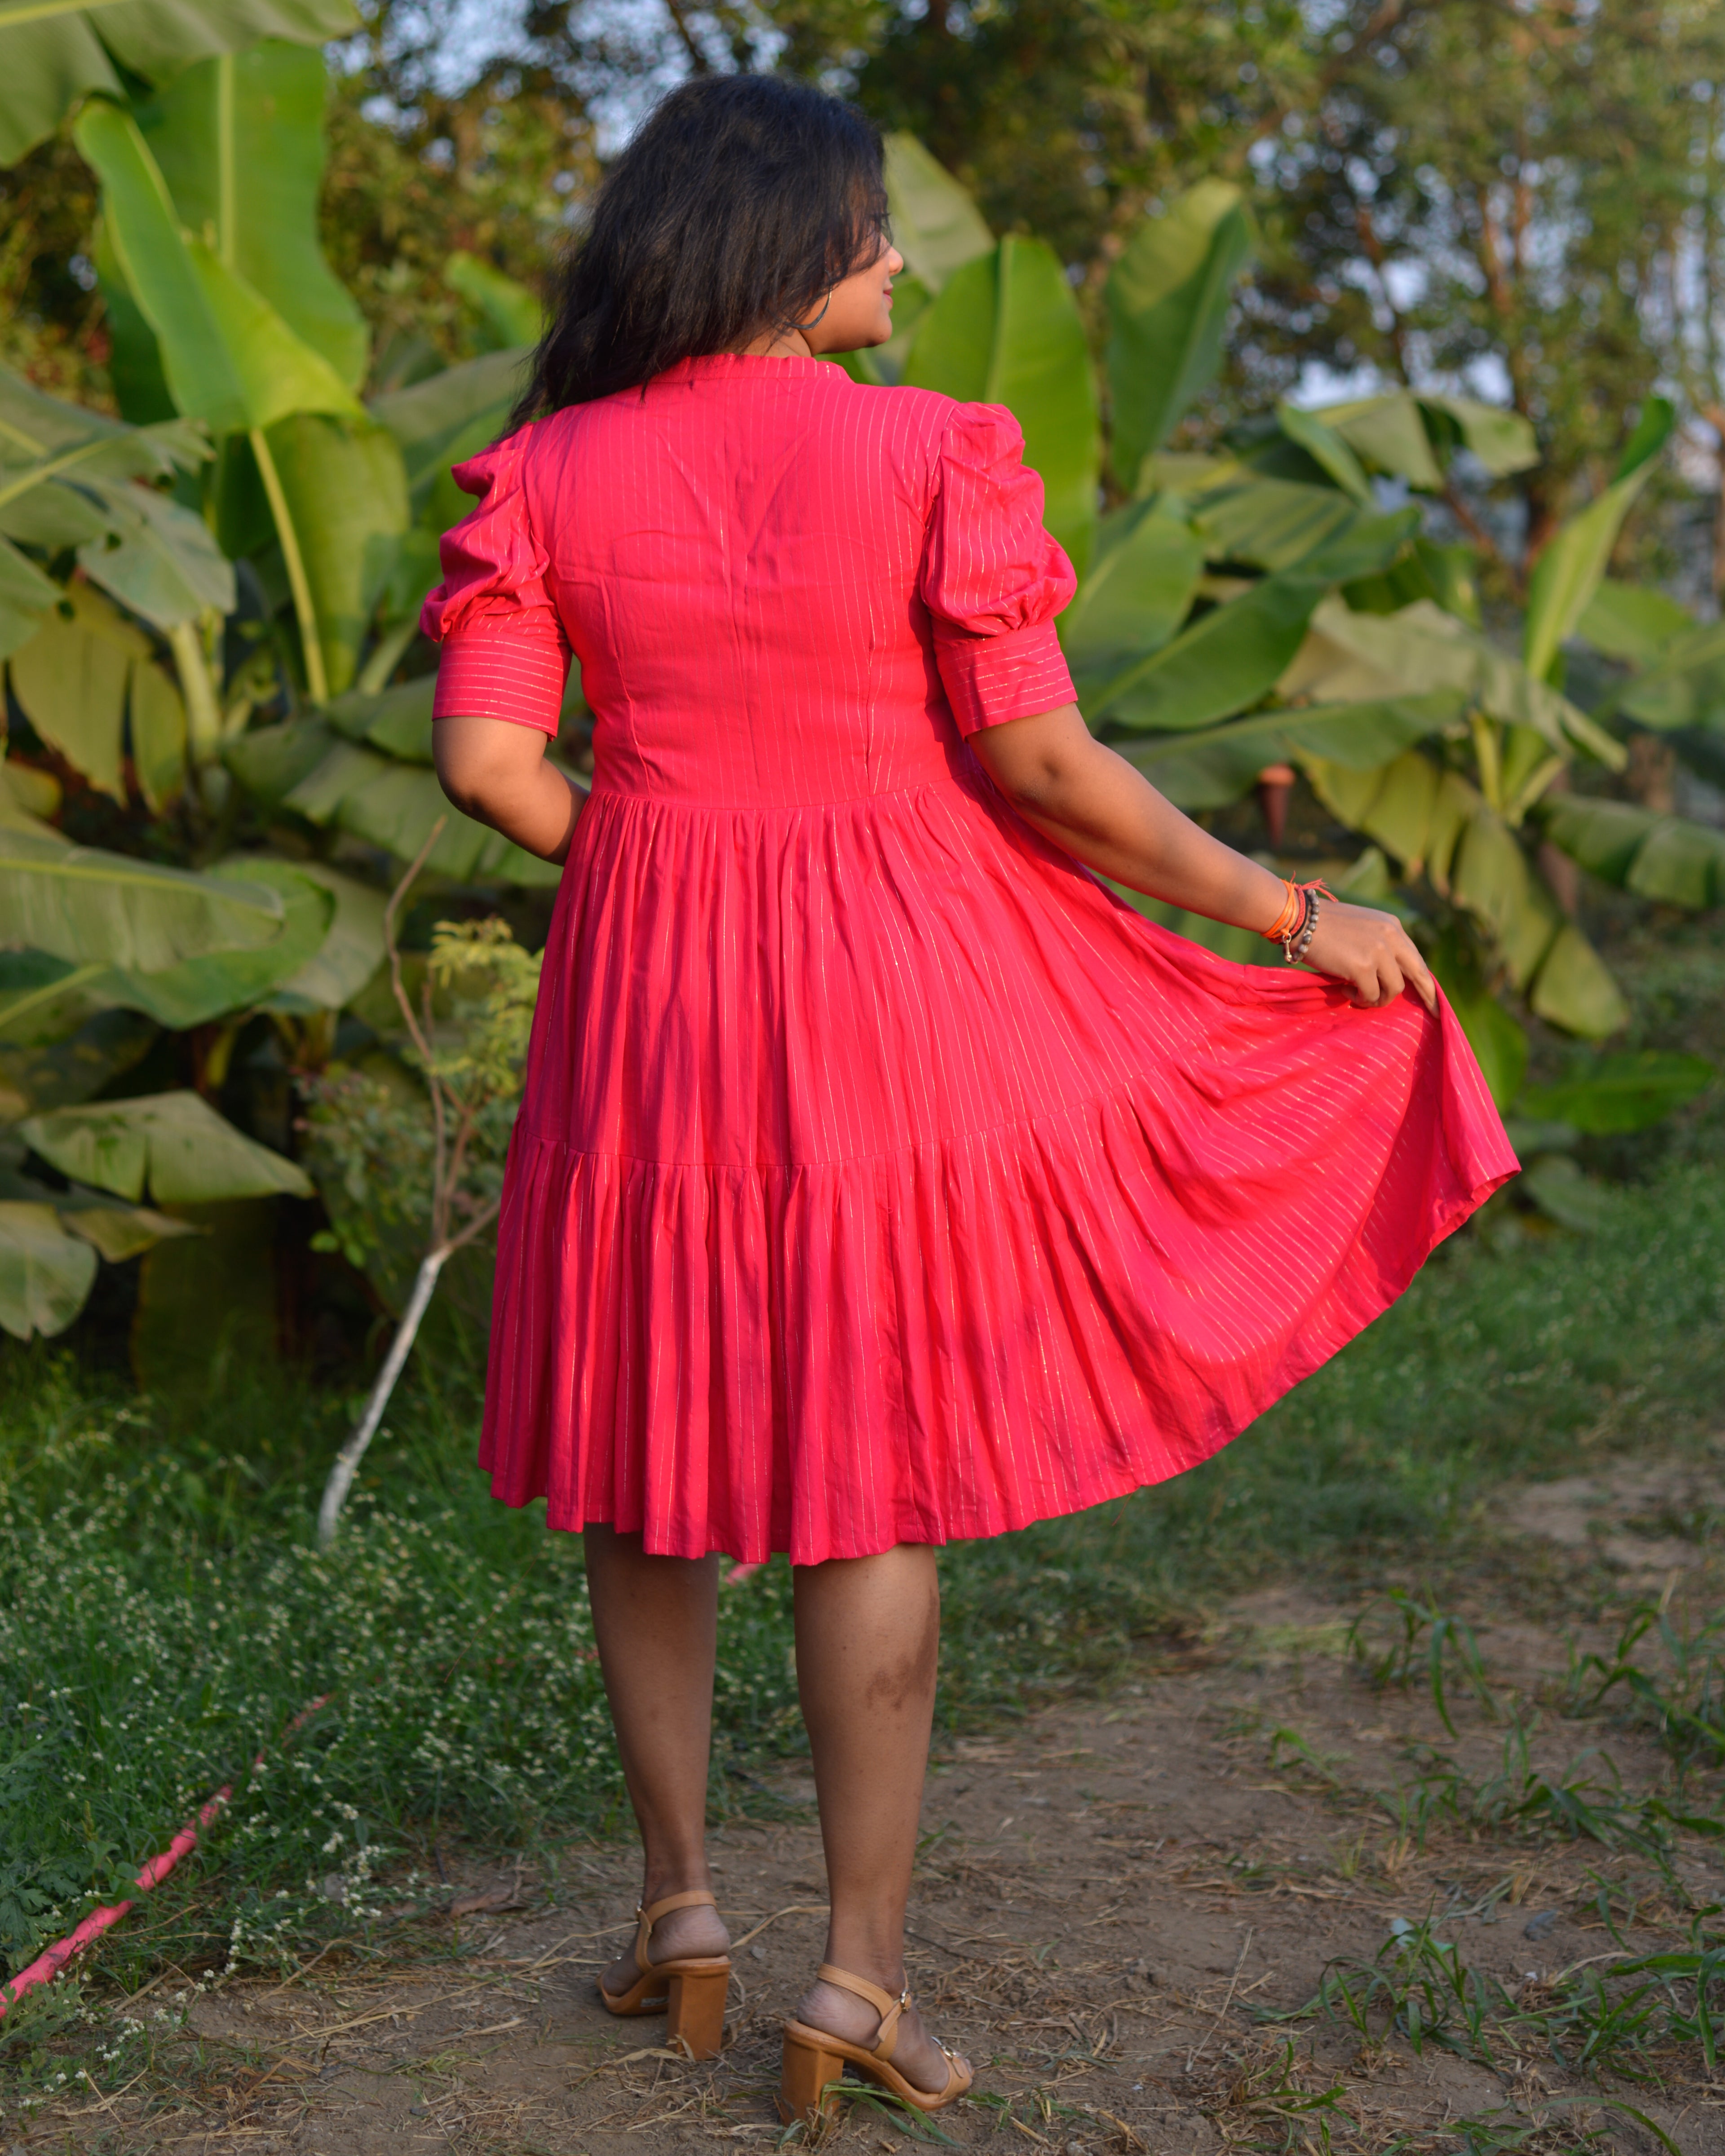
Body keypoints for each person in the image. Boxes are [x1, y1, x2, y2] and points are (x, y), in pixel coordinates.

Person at [424, 71, 1516, 2121]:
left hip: (643, 992)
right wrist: (1289, 908)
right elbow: (1043, 770)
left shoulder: (547, 467)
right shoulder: (935, 454)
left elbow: (487, 767)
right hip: (882, 997)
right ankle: (858, 1978)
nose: (903, 260)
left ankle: (678, 1909)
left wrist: (663, 858)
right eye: (873, 224)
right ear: (790, 242)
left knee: (650, 1453)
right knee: (865, 1473)